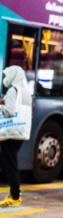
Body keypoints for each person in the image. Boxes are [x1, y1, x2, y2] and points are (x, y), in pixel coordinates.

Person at [0, 66, 32, 207]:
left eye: (7, 76)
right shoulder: (25, 91)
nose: (5, 79)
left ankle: (15, 195)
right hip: (19, 132)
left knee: (10, 164)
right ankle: (14, 193)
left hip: (9, 133)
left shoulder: (13, 90)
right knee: (9, 161)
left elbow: (9, 111)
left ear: (13, 76)